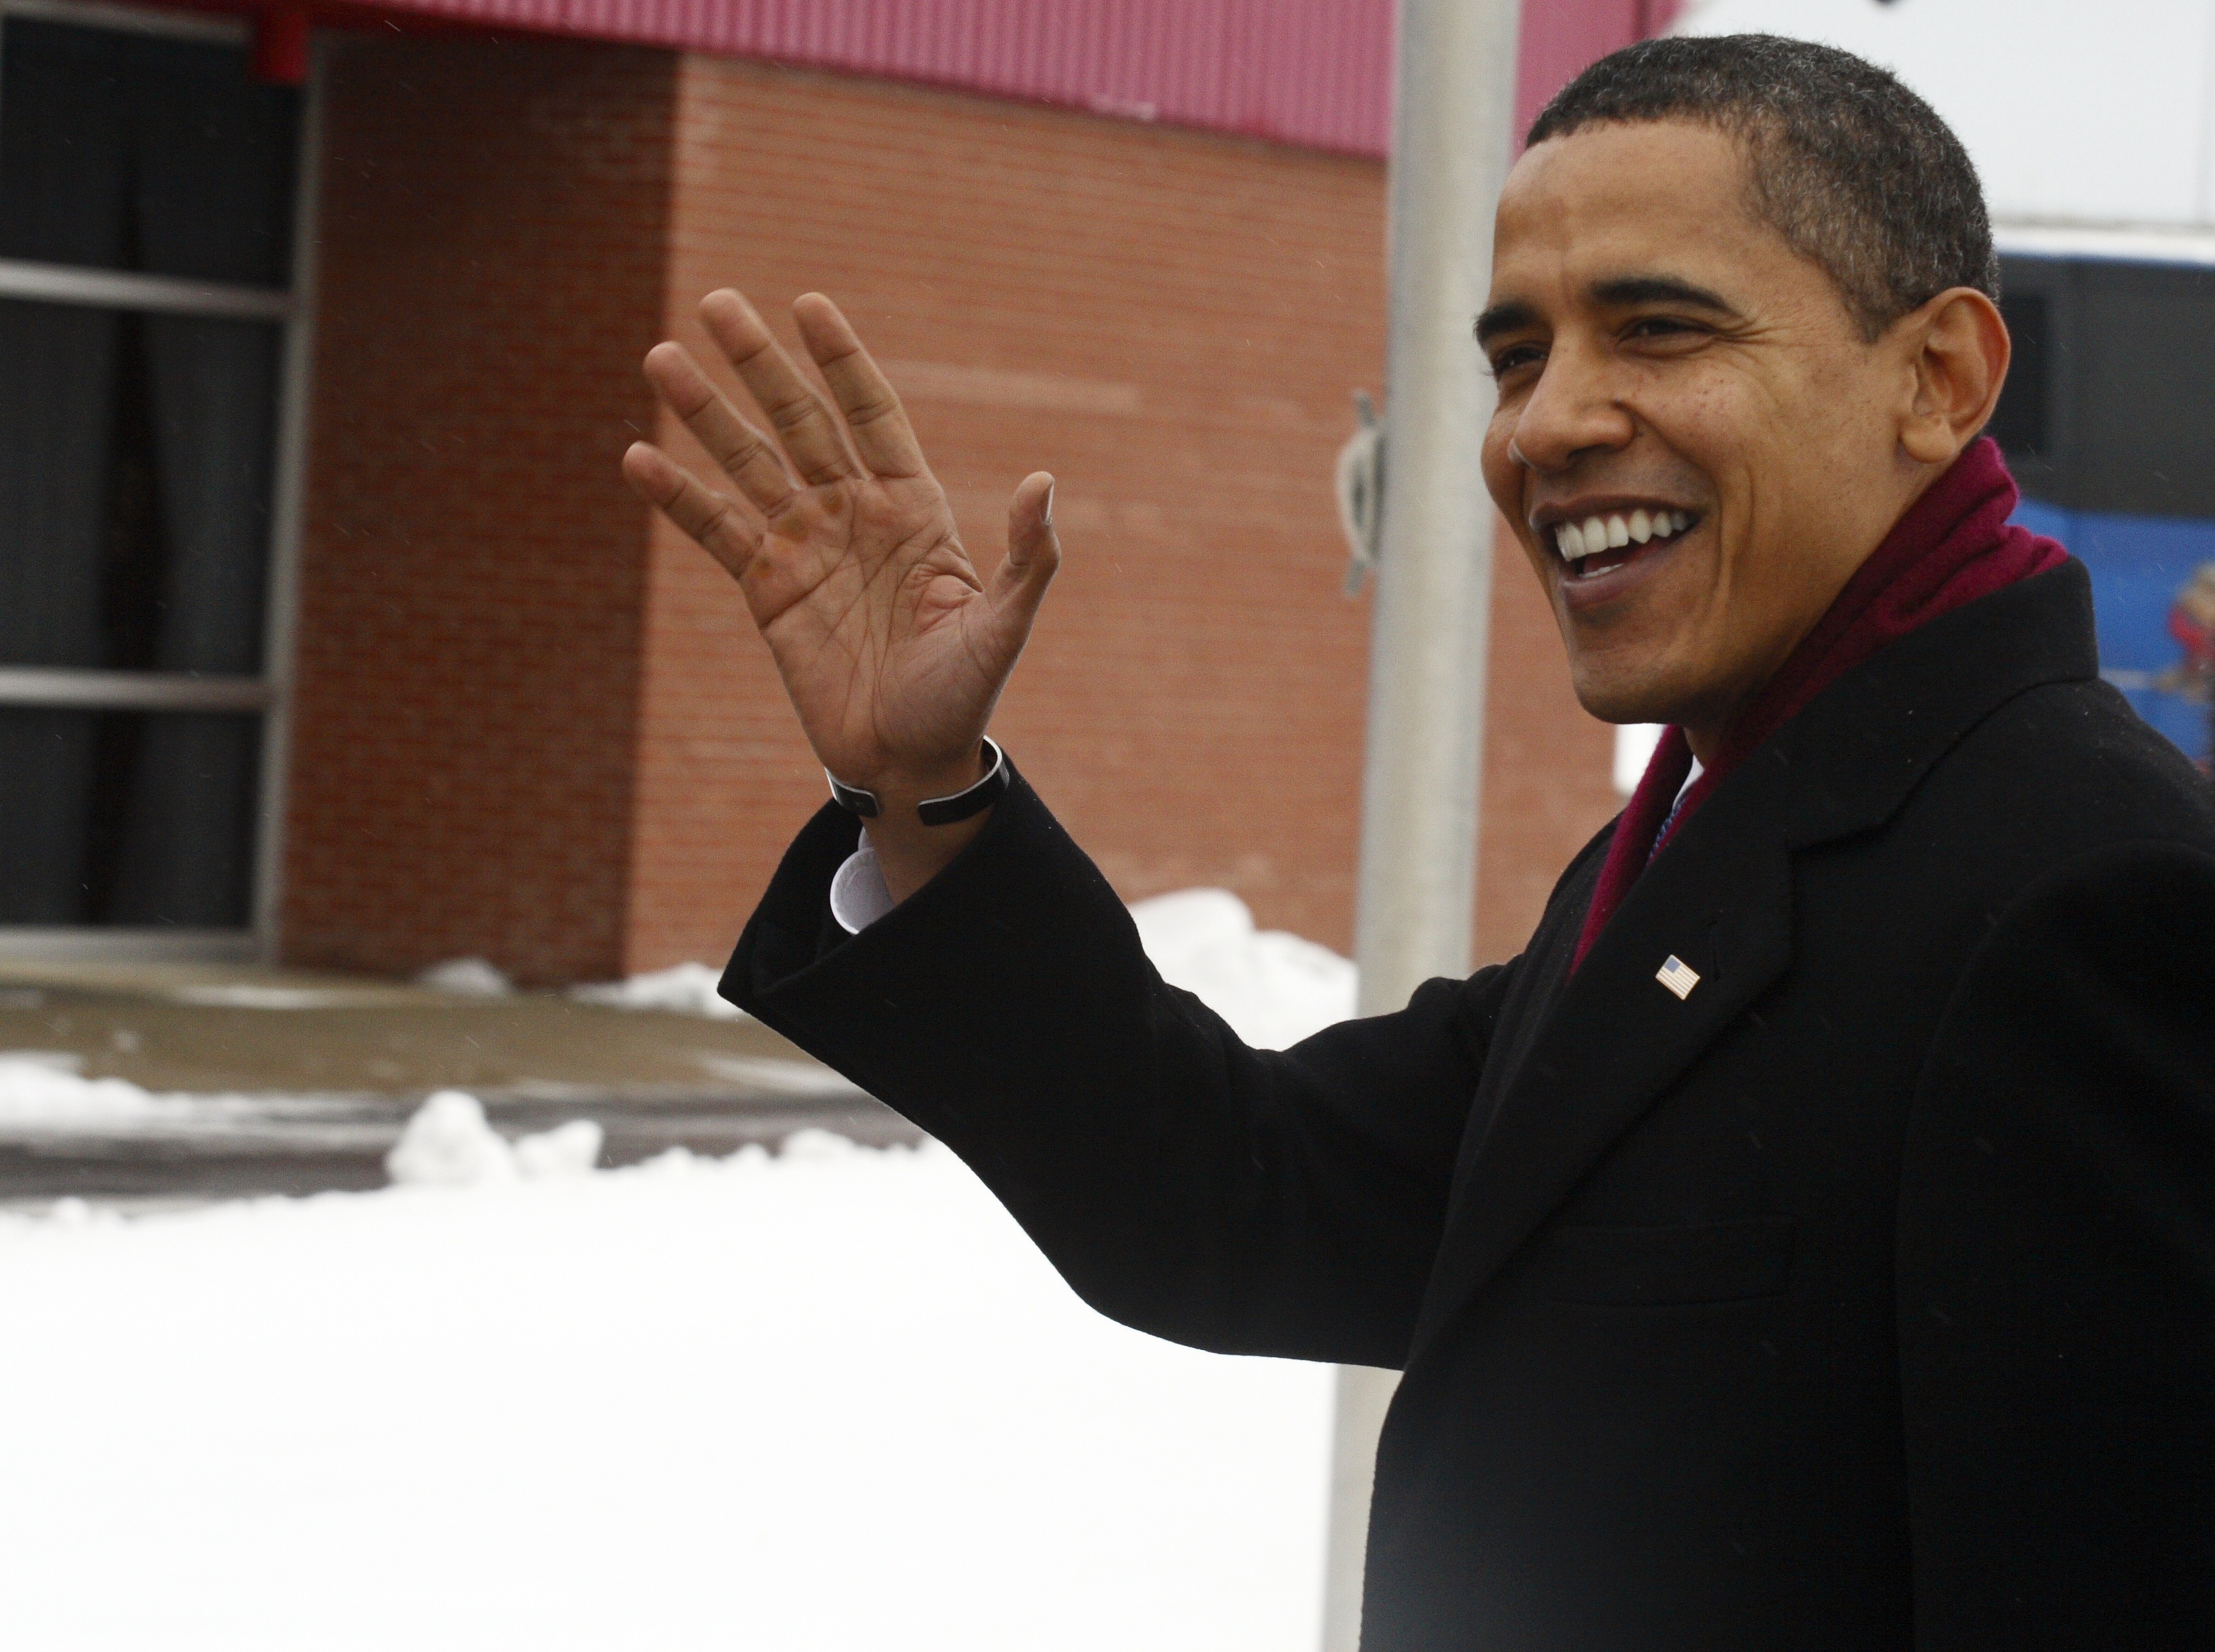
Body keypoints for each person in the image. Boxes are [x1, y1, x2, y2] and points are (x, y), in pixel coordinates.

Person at [620, 35, 2215, 1651]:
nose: (1547, 425)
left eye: (1659, 328)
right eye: (1517, 358)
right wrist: (927, 784)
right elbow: (1238, 1190)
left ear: (1937, 378)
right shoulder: (1706, 844)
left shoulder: (2089, 905)